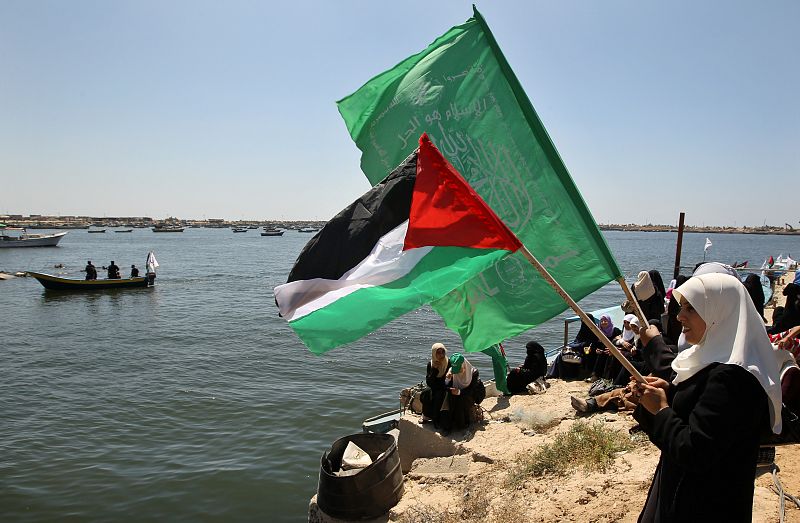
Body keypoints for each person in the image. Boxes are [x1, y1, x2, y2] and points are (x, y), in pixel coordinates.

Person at [630, 273, 782, 522]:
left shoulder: (733, 378)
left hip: (704, 506)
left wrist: (660, 410)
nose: (680, 316)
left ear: (719, 313)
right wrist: (667, 393)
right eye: (682, 307)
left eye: (692, 308)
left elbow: (695, 450)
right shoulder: (711, 361)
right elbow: (701, 414)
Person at [440, 353, 483, 433]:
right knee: (447, 398)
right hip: (455, 392)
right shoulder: (451, 371)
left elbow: (471, 390)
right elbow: (446, 386)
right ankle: (446, 424)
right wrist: (447, 380)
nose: (458, 372)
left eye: (459, 369)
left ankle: (462, 423)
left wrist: (459, 392)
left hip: (469, 395)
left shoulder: (473, 373)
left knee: (461, 400)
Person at [421, 343, 450, 425]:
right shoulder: (430, 364)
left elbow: (449, 380)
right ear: (434, 353)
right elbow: (429, 381)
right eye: (438, 353)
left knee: (439, 395)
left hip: (445, 386)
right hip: (433, 385)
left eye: (443, 352)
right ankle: (425, 415)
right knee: (426, 393)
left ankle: (436, 418)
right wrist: (434, 370)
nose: (441, 355)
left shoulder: (448, 363)